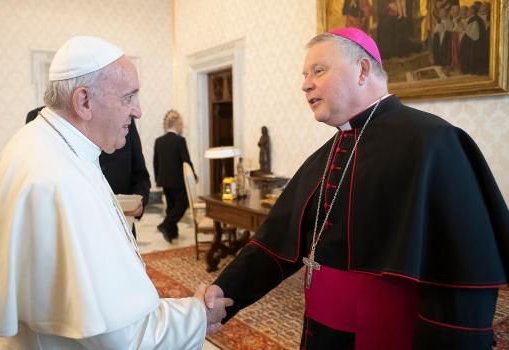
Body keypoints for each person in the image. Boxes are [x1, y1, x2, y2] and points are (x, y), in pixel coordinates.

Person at [204, 27, 509, 349]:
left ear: (363, 70)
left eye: (318, 71)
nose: (305, 84)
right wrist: (223, 293)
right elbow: (276, 242)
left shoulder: (434, 142)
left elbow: (462, 275)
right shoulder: (329, 153)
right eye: (305, 74)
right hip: (323, 334)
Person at [0, 35, 232, 349]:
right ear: (84, 101)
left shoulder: (37, 143)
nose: (138, 111)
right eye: (128, 97)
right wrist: (198, 314)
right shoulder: (62, 180)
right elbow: (123, 337)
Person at [26, 107, 151, 237]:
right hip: (71, 234)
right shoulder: (40, 119)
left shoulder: (123, 120)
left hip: (122, 230)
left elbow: (141, 175)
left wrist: (138, 201)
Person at [153, 110, 197, 243]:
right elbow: (186, 160)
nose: (183, 126)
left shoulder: (159, 141)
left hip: (164, 180)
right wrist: (193, 175)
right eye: (182, 123)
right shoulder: (180, 140)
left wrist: (157, 179)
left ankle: (172, 233)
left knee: (171, 206)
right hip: (178, 181)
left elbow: (156, 162)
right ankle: (165, 225)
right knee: (182, 204)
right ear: (177, 124)